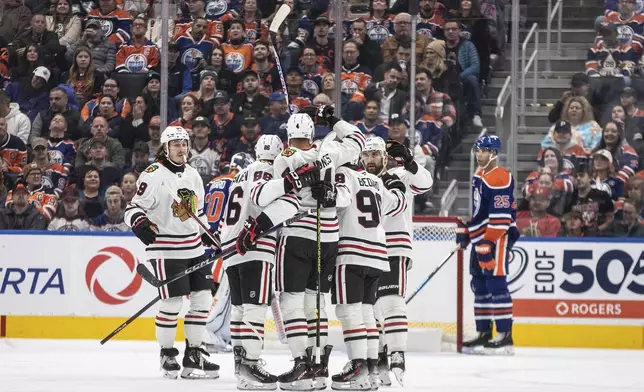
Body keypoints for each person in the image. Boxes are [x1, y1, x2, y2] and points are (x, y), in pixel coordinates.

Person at [272, 107, 366, 390]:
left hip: (298, 233)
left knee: (292, 301)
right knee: (316, 302)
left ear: (289, 135)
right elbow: (358, 139)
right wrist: (333, 119)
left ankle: (302, 363)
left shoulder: (285, 156)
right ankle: (319, 363)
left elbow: (278, 183)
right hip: (329, 237)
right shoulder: (331, 151)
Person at [220, 135, 320, 389]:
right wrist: (291, 185)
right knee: (254, 308)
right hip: (256, 246)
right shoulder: (271, 174)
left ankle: (241, 363)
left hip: (230, 246)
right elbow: (284, 204)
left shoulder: (241, 174)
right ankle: (251, 365)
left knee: (240, 309)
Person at [124, 125, 220, 379]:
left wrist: (210, 235)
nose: (181, 149)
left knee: (203, 301)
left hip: (194, 246)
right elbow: (132, 209)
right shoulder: (153, 175)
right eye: (175, 144)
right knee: (172, 303)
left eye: (184, 144)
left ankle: (194, 354)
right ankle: (167, 353)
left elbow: (198, 214)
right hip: (166, 248)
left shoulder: (193, 174)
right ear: (165, 148)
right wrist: (139, 223)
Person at [329, 137, 409, 390]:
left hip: (351, 251)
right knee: (366, 313)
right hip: (377, 254)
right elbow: (397, 203)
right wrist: (398, 188)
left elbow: (338, 200)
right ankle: (372, 369)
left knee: (349, 311)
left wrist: (323, 193)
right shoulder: (376, 181)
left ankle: (358, 367)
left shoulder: (344, 174)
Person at [361, 137, 433, 385]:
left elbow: (425, 184)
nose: (371, 160)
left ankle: (398, 354)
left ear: (384, 156)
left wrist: (410, 162)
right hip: (364, 246)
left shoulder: (401, 175)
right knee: (370, 309)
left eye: (375, 155)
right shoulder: (358, 178)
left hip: (395, 245)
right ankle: (379, 358)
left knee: (391, 301)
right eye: (366, 155)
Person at [456, 134, 518, 355]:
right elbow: (480, 211)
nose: (478, 153)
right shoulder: (480, 174)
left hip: (497, 238)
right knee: (480, 285)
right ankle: (484, 332)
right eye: (477, 149)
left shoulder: (500, 178)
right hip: (481, 238)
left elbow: (501, 218)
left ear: (493, 153)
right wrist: (469, 230)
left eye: (482, 150)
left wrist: (487, 243)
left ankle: (505, 336)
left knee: (496, 285)